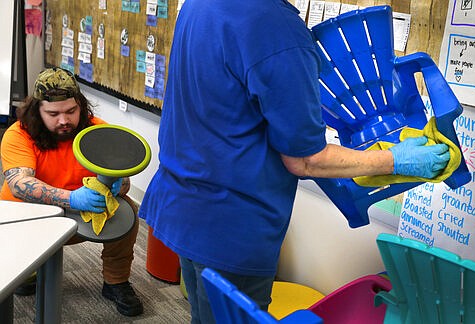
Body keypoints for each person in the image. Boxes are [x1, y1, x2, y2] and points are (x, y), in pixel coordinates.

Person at [139, 1, 450, 323]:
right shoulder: (275, 28)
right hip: (229, 225)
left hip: (182, 202)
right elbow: (306, 160)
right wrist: (396, 160)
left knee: (206, 316)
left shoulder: (202, 5)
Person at [0, 67, 143, 317]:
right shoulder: (18, 134)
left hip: (82, 216)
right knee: (20, 276)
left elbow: (123, 177)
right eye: (53, 114)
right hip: (30, 216)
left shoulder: (98, 130)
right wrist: (73, 199)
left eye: (71, 111)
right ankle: (29, 269)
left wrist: (119, 184)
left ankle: (116, 281)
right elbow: (19, 184)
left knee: (127, 211)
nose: (64, 120)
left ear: (81, 106)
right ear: (37, 111)